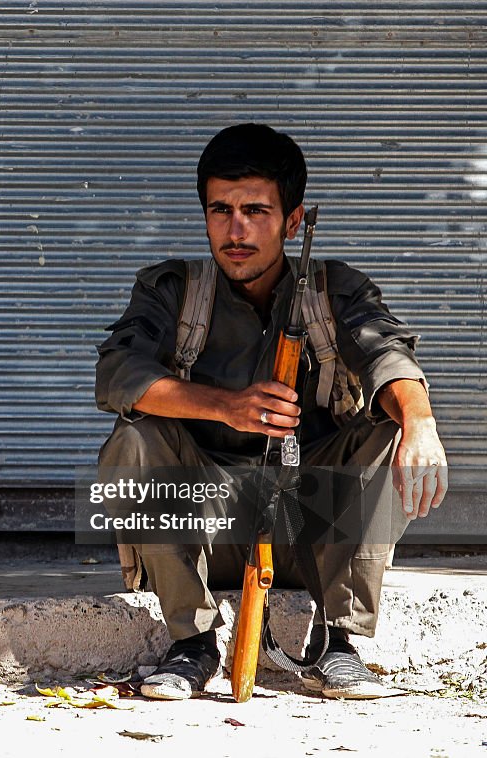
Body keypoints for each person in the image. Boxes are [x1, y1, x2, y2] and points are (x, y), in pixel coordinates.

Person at [95, 123, 448, 701]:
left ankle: (340, 645)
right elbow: (116, 375)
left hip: (309, 531)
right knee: (134, 434)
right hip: (202, 528)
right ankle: (191, 645)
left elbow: (386, 353)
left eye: (255, 210)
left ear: (291, 220)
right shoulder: (173, 291)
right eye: (221, 210)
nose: (236, 231)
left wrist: (421, 422)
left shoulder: (336, 290)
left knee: (391, 429)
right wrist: (225, 407)